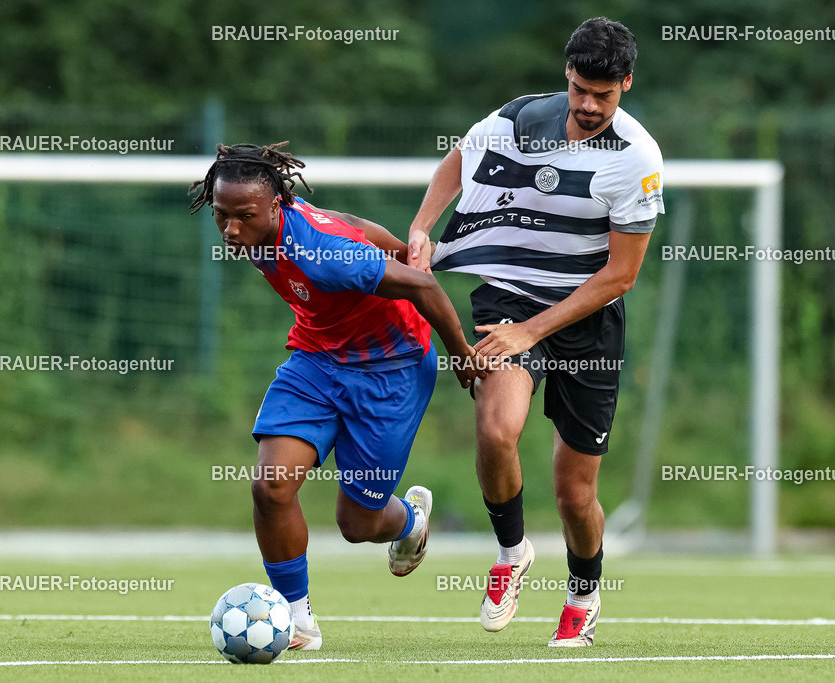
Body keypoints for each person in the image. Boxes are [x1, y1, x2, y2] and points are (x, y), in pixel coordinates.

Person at [406, 17, 665, 647]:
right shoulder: (519, 118)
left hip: (586, 317)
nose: (587, 105)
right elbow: (461, 158)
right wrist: (421, 227)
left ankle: (583, 594)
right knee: (497, 430)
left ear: (626, 84)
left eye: (603, 94)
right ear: (567, 77)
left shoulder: (637, 158)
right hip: (508, 294)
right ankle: (511, 552)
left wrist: (531, 333)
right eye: (579, 89)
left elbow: (621, 276)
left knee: (575, 495)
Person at [190, 142, 481, 651]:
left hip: (390, 370)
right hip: (317, 359)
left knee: (358, 524)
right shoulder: (271, 224)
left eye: (243, 217)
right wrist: (392, 246)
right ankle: (296, 619)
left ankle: (410, 520)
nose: (231, 230)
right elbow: (343, 217)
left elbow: (424, 288)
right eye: (221, 216)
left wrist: (462, 353)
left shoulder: (322, 254)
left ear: (274, 207)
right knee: (270, 486)